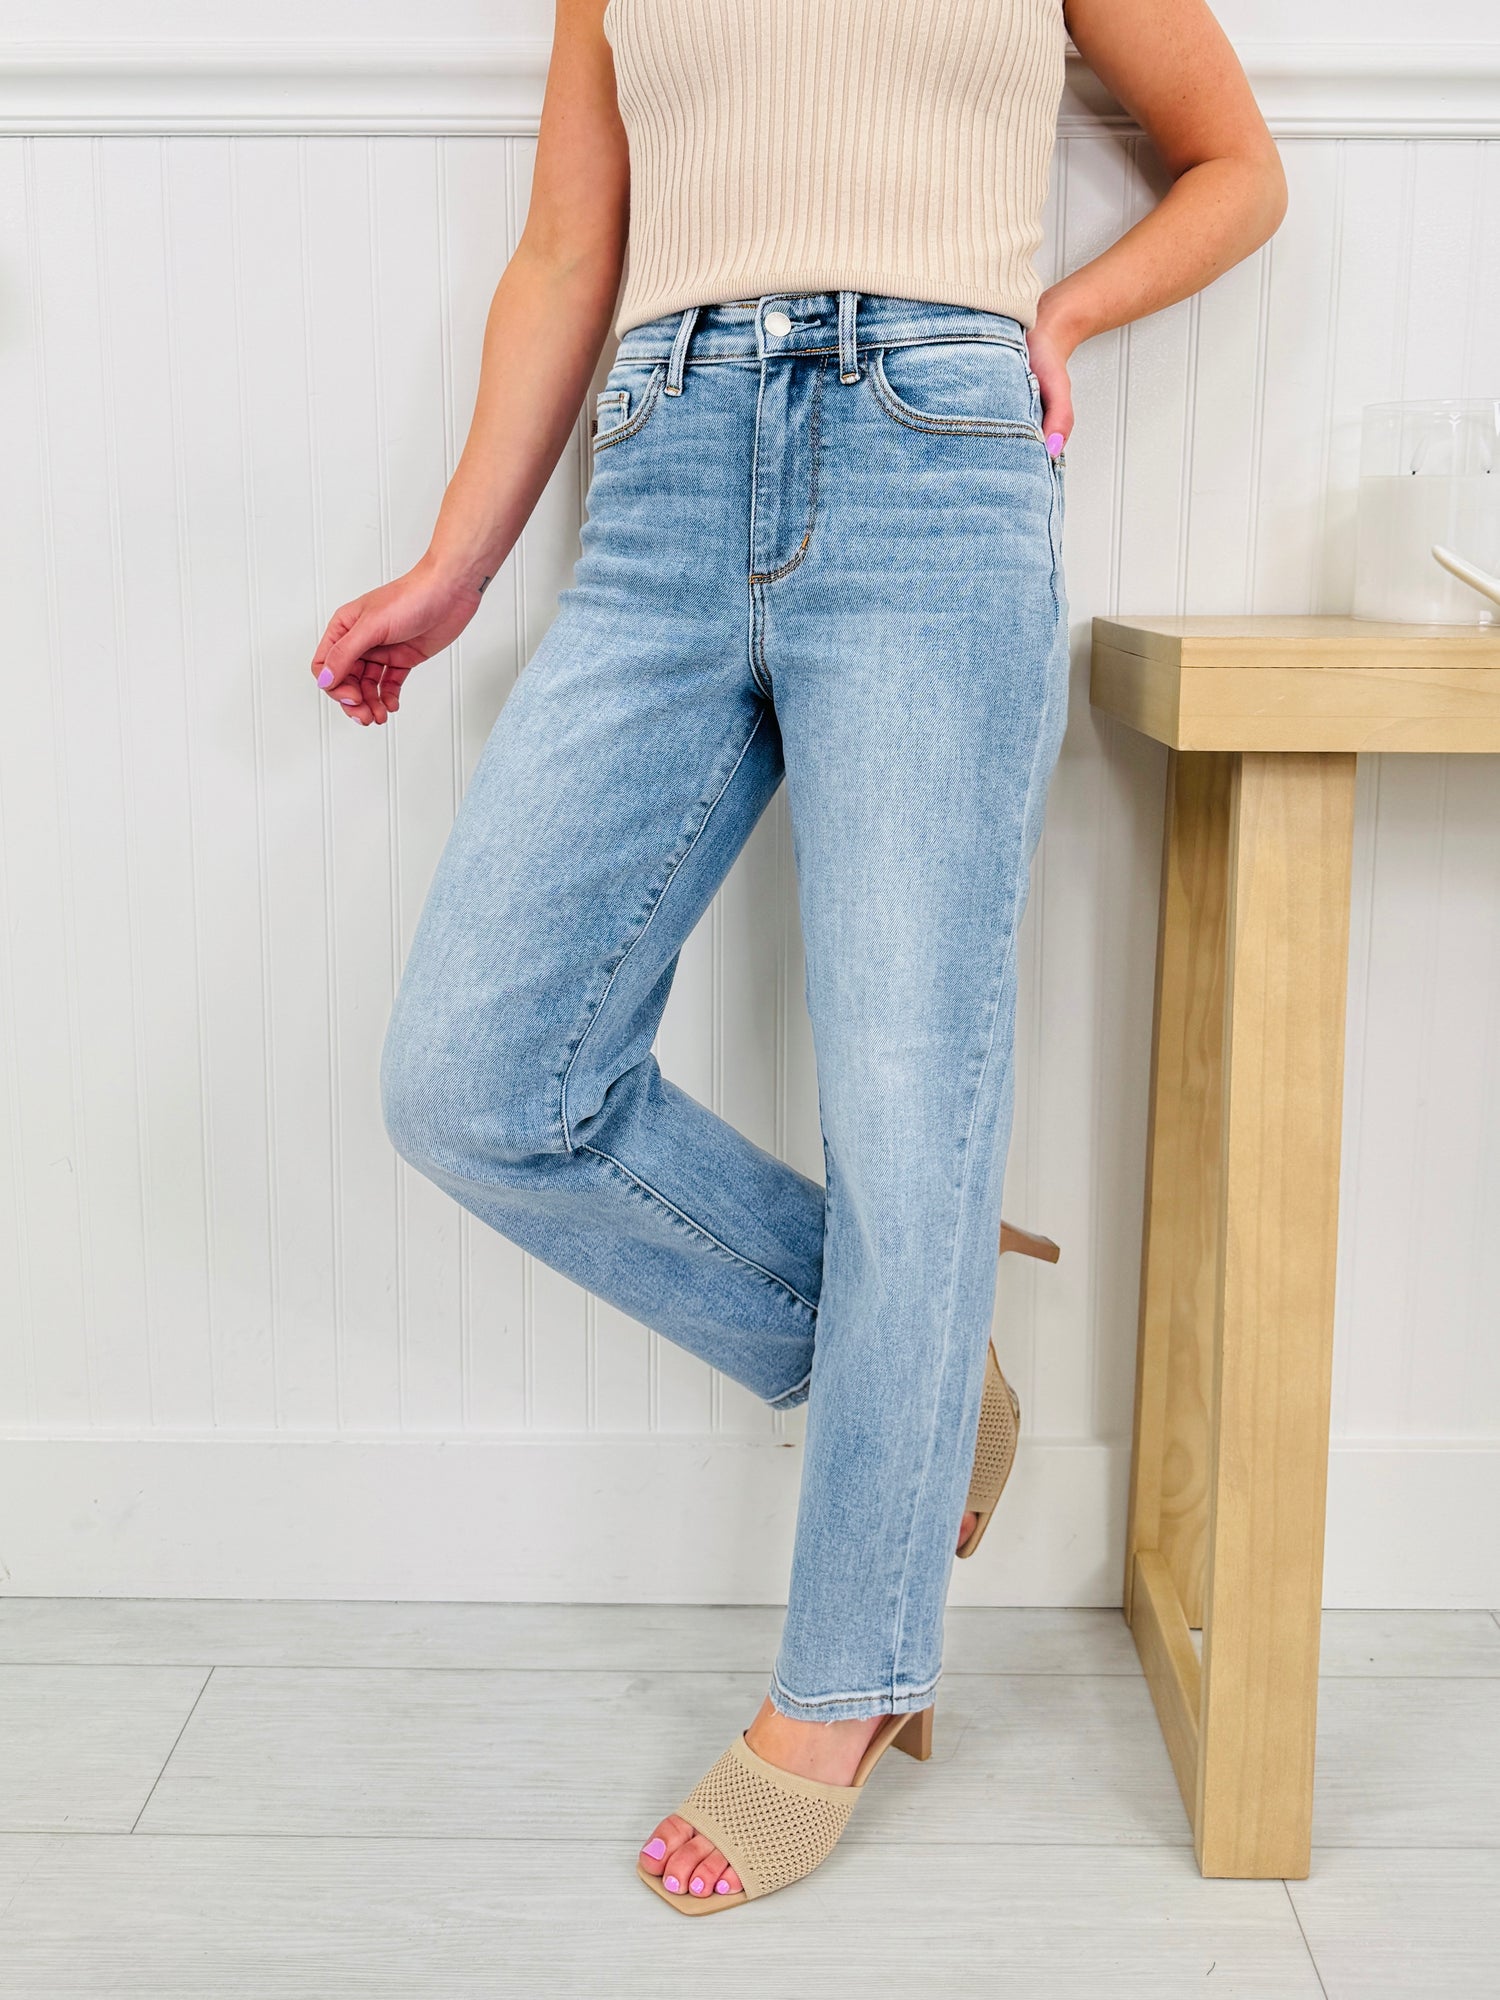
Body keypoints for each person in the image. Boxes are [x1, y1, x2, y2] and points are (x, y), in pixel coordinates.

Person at [309, 0, 1286, 1915]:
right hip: (663, 465)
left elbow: (1237, 171)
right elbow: (566, 253)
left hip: (936, 455)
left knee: (912, 1111)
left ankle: (839, 1688)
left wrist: (1064, 318)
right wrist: (455, 566)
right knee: (478, 1084)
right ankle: (920, 1387)